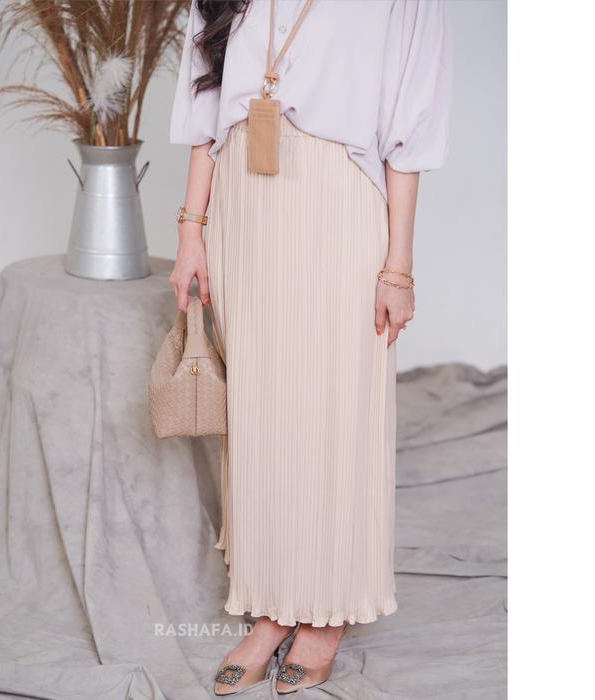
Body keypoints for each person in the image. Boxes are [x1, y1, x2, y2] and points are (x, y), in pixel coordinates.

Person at [168, 0, 452, 694]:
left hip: (339, 202)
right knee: (261, 415)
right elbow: (208, 108)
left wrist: (398, 266)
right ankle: (270, 604)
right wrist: (191, 231)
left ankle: (329, 607)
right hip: (244, 209)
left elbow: (409, 128)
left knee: (336, 409)